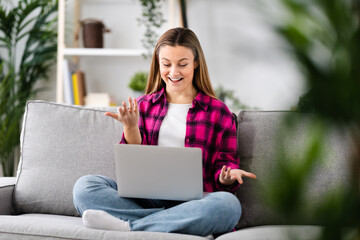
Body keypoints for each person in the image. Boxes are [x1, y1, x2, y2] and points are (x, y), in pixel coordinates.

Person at [73, 27, 256, 237]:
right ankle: (172, 222)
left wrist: (226, 177)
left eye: (182, 64)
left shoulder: (219, 112)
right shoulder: (143, 105)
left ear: (196, 62)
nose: (174, 72)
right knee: (84, 186)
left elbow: (225, 165)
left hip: (195, 201)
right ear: (158, 64)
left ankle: (130, 226)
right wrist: (130, 127)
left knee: (228, 205)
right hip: (145, 198)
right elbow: (129, 168)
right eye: (166, 64)